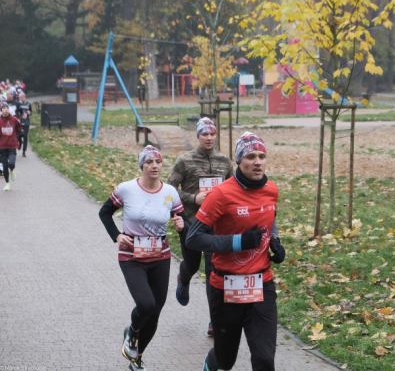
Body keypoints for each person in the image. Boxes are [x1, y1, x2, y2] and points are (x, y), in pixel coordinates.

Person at [187, 131, 286, 371]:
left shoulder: (271, 189)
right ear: (239, 160)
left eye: (262, 155)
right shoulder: (221, 195)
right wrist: (238, 242)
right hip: (226, 286)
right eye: (251, 156)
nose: (258, 161)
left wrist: (274, 239)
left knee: (264, 360)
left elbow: (268, 216)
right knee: (225, 359)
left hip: (262, 284)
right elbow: (194, 238)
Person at [98, 145, 187, 371]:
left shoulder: (170, 192)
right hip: (132, 257)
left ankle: (136, 357)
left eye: (158, 161)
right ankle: (132, 331)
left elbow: (182, 219)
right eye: (149, 162)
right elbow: (105, 212)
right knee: (146, 304)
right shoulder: (127, 189)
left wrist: (181, 225)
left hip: (160, 257)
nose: (154, 166)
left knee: (155, 312)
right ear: (142, 166)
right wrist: (117, 235)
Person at [167, 117, 234, 336]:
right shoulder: (185, 161)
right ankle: (183, 277)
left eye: (212, 134)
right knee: (193, 265)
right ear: (198, 136)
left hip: (216, 224)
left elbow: (235, 188)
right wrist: (194, 199)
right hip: (192, 223)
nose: (208, 138)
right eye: (204, 134)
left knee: (213, 270)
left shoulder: (225, 161)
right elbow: (168, 189)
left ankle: (214, 320)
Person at [0, 102, 23, 191]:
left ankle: (12, 171)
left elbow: (19, 128)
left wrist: (21, 136)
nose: (6, 109)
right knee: (5, 166)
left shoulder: (14, 119)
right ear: (1, 110)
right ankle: (7, 184)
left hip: (12, 145)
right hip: (2, 147)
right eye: (4, 108)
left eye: (7, 108)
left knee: (11, 163)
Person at [16, 92, 31, 157]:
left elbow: (31, 112)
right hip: (19, 122)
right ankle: (20, 142)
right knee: (18, 136)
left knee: (25, 136)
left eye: (24, 96)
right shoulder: (17, 104)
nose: (23, 98)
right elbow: (15, 112)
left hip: (26, 122)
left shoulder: (28, 104)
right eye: (21, 97)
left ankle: (24, 151)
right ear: (19, 97)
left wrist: (29, 112)